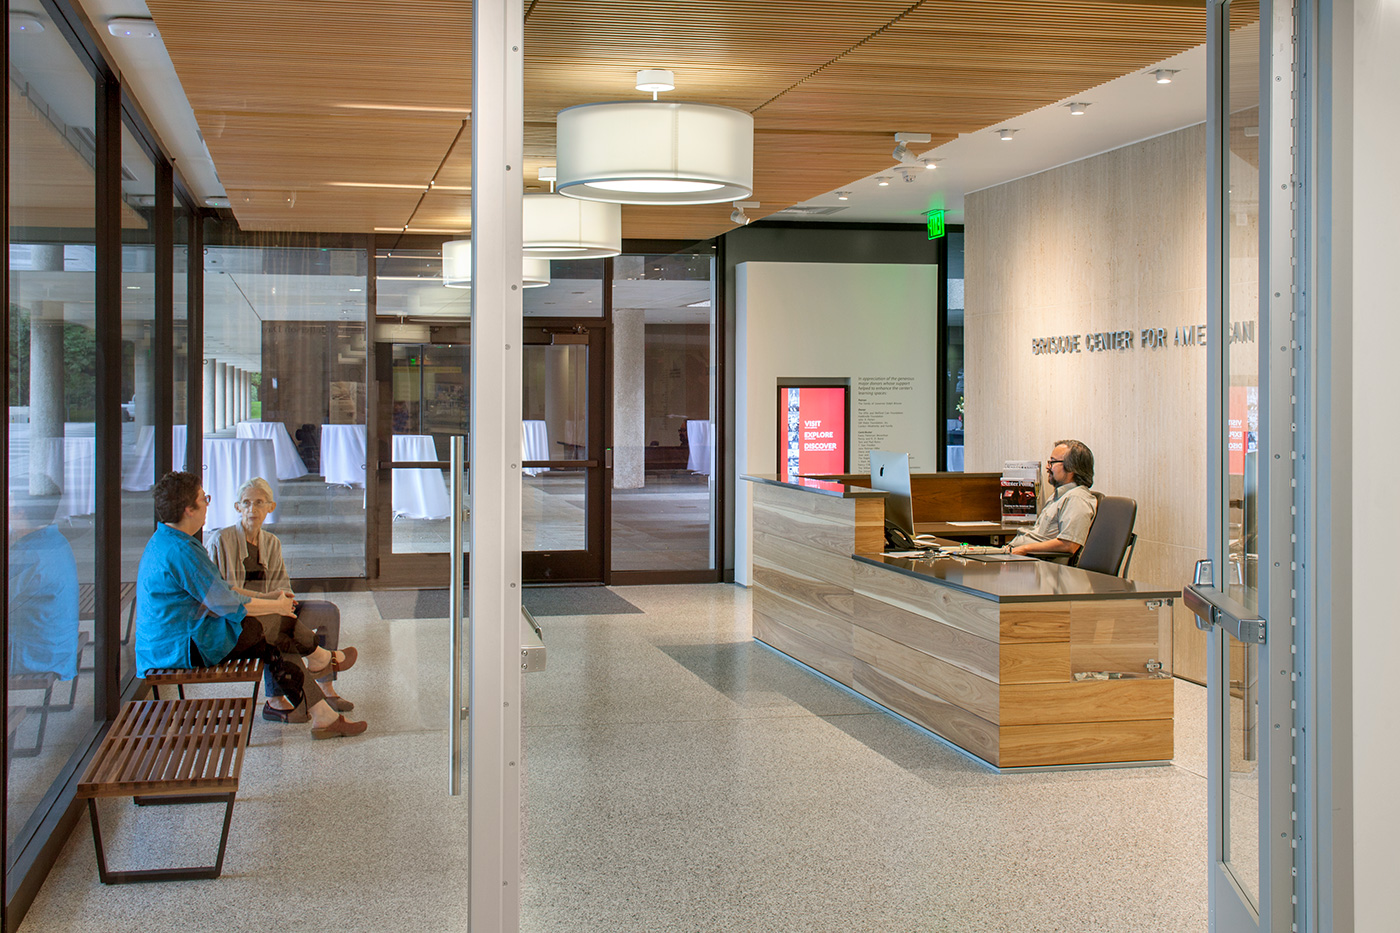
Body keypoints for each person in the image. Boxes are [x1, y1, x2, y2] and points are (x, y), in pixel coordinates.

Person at [135, 471, 367, 739]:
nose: (207, 504)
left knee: (278, 637)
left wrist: (273, 601)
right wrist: (276, 608)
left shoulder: (169, 540)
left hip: (180, 638)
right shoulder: (182, 550)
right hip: (181, 647)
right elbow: (224, 603)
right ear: (189, 509)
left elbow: (222, 592)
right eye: (204, 499)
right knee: (277, 628)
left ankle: (323, 709)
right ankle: (323, 662)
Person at [208, 476, 355, 720]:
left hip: (273, 607)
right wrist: (274, 603)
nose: (251, 509)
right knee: (279, 626)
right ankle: (275, 698)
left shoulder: (271, 542)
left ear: (270, 507)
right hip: (240, 617)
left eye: (259, 502)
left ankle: (327, 687)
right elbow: (227, 592)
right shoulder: (221, 540)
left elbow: (282, 585)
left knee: (328, 612)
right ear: (237, 507)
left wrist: (284, 602)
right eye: (245, 503)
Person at [1009, 439, 1098, 559]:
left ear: (1071, 468)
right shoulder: (1058, 496)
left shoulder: (1077, 499)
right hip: (1020, 558)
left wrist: (1024, 549)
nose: (1047, 467)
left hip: (1036, 565)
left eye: (1052, 462)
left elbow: (1069, 544)